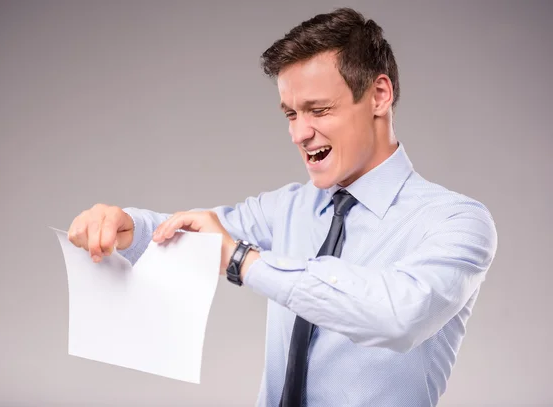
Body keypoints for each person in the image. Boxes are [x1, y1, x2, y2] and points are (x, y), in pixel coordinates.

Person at [67, 7, 498, 407]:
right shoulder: (288, 207)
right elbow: (198, 232)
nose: (299, 134)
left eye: (318, 110)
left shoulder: (456, 222)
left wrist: (242, 259)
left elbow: (398, 317)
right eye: (291, 114)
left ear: (379, 96)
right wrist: (127, 226)